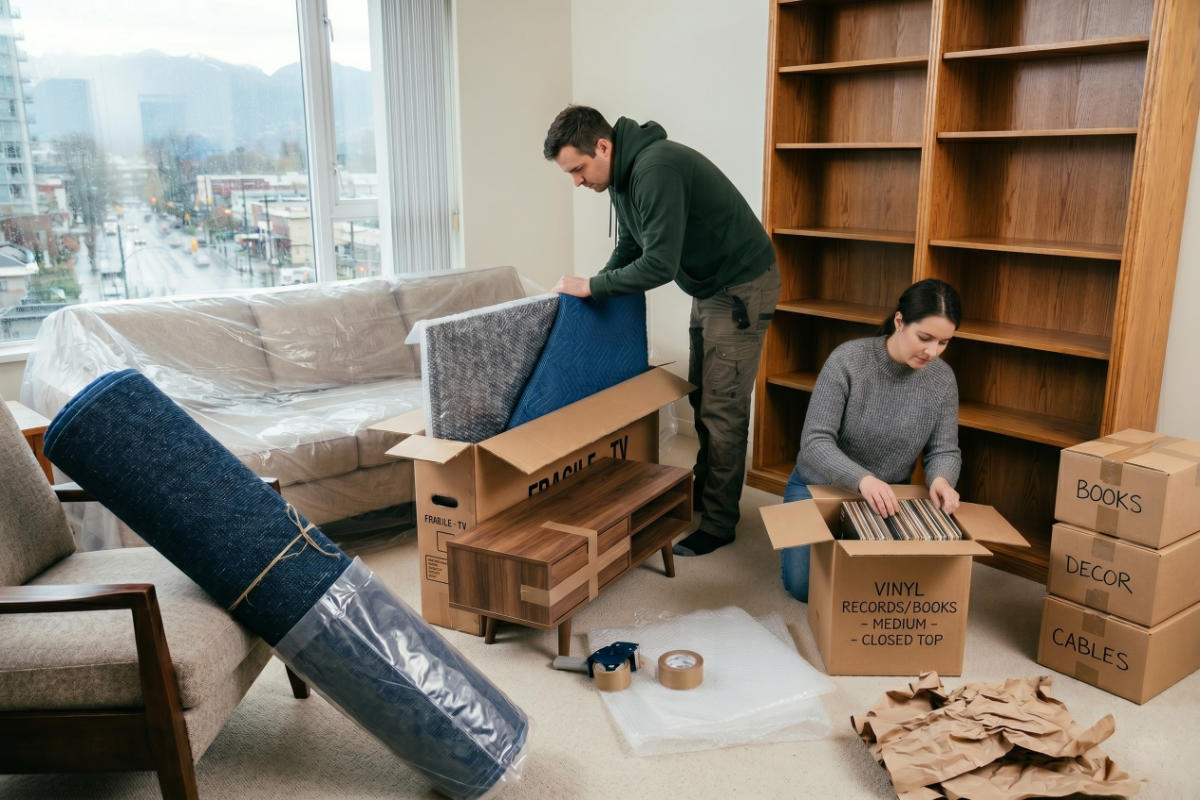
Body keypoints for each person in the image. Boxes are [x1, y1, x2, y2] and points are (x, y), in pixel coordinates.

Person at [543, 105, 779, 557]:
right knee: (703, 396)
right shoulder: (620, 178)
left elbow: (658, 265)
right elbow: (632, 245)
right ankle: (706, 492)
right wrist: (594, 289)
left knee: (722, 407)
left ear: (603, 147)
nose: (577, 181)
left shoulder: (655, 170)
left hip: (742, 285)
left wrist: (592, 286)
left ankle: (719, 523)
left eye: (577, 169)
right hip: (709, 285)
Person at [780, 278, 963, 601]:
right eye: (924, 338)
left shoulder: (942, 380)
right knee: (805, 588)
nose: (932, 352)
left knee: (886, 589)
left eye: (944, 342)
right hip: (818, 487)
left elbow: (944, 450)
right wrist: (863, 479)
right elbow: (815, 441)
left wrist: (942, 480)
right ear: (899, 322)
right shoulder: (848, 360)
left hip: (887, 498)